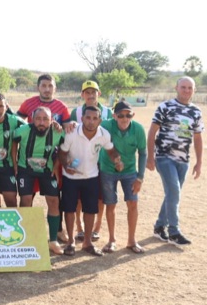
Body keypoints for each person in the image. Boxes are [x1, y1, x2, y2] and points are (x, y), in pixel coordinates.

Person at [58, 106, 122, 257]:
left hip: (92, 177)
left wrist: (117, 160)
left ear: (100, 120)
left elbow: (111, 150)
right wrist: (66, 166)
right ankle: (70, 242)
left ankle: (87, 242)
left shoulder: (103, 134)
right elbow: (62, 153)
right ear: (82, 119)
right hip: (71, 177)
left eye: (95, 118)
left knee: (90, 209)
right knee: (69, 209)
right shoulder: (72, 133)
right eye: (88, 117)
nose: (91, 121)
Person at [147, 76, 203, 245]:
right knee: (174, 191)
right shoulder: (165, 107)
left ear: (194, 90)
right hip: (164, 157)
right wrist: (150, 157)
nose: (186, 90)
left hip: (183, 160)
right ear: (176, 88)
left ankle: (159, 227)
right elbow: (152, 133)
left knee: (172, 193)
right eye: (183, 87)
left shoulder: (196, 112)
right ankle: (174, 231)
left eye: (190, 88)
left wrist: (199, 162)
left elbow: (198, 138)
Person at [12, 107, 65, 255]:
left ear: (51, 120)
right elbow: (13, 143)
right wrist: (15, 163)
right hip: (25, 169)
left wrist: (56, 166)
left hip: (47, 170)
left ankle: (53, 240)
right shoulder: (23, 130)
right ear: (32, 119)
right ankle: (25, 237)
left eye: (45, 119)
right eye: (38, 119)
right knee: (26, 199)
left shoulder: (57, 132)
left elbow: (62, 149)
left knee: (54, 201)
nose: (41, 122)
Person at [99, 101, 147, 253]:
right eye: (121, 115)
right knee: (110, 204)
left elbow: (143, 153)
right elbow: (104, 144)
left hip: (130, 171)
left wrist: (140, 178)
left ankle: (132, 240)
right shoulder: (106, 126)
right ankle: (111, 240)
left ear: (133, 115)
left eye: (128, 115)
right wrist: (116, 160)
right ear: (114, 116)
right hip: (107, 169)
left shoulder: (138, 129)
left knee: (133, 203)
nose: (125, 118)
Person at [70, 80, 113, 242]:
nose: (90, 95)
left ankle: (97, 227)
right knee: (79, 196)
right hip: (80, 159)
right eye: (87, 92)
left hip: (101, 160)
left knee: (99, 197)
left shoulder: (108, 112)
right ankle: (79, 227)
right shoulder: (77, 111)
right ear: (82, 95)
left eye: (93, 92)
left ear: (99, 93)